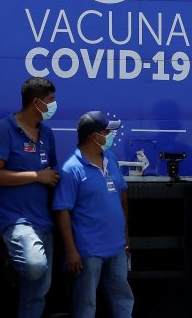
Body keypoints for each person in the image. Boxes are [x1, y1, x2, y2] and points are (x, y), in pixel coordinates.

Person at [0, 77, 61, 318]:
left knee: (36, 294)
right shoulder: (3, 130)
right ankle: (12, 261)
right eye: (50, 100)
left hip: (44, 222)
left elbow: (51, 174)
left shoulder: (47, 134)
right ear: (36, 102)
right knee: (35, 266)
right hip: (17, 220)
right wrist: (36, 176)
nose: (54, 104)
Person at [53, 111, 133, 318]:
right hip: (89, 251)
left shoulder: (111, 159)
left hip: (116, 248)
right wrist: (71, 251)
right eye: (107, 131)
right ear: (94, 136)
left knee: (123, 299)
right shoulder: (71, 169)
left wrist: (125, 236)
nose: (111, 136)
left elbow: (122, 195)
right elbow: (62, 211)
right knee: (86, 305)